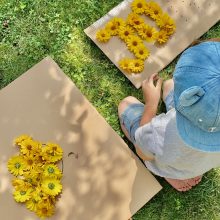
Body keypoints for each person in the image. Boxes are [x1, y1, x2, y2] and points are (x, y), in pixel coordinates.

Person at [118, 39, 220, 191]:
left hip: (171, 164)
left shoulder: (161, 131)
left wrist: (151, 105)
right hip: (200, 162)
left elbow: (143, 152)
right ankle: (185, 172)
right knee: (169, 85)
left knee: (126, 104)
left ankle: (172, 174)